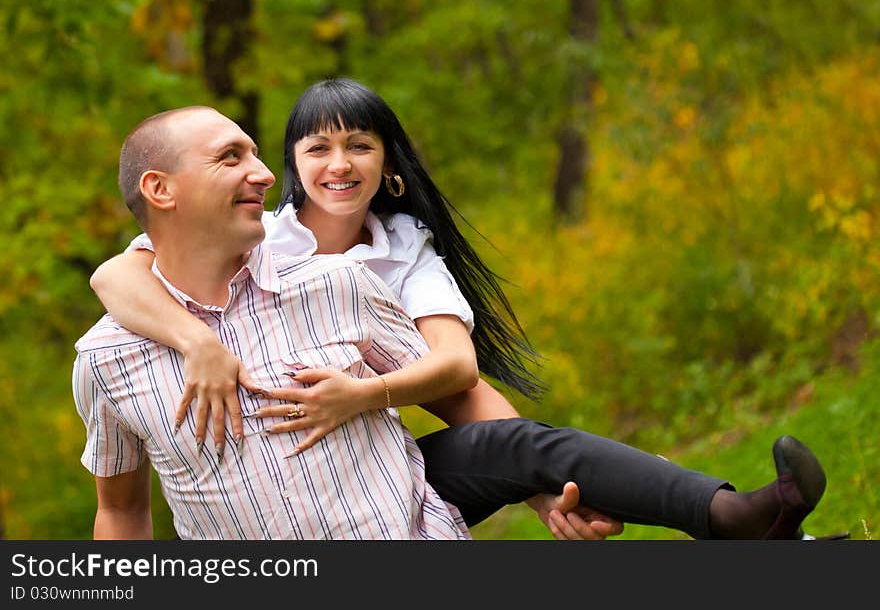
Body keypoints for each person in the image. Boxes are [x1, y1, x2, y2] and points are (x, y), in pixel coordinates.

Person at [89, 80, 830, 540]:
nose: (329, 166)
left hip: (394, 502)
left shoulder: (371, 268)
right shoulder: (251, 252)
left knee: (528, 447)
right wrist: (196, 341)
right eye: (311, 149)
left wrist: (542, 493)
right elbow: (117, 277)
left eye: (359, 147)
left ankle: (739, 521)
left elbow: (458, 376)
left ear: (390, 166)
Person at [73, 105, 475, 539]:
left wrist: (543, 483)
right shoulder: (105, 359)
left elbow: (458, 386)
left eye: (256, 155)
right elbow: (121, 512)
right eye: (230, 157)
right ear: (160, 189)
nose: (266, 174)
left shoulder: (340, 283)